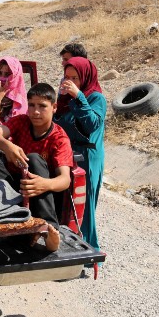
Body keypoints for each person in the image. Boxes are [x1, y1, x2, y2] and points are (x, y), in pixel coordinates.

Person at [0, 83, 74, 252]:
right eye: (31, 105)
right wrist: (7, 146)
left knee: (34, 159)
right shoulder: (21, 121)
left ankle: (49, 230)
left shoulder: (60, 139)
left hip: (39, 189)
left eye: (42, 106)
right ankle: (8, 215)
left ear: (54, 107)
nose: (35, 111)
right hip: (15, 186)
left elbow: (65, 179)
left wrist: (44, 184)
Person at [54, 56, 106, 252]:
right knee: (67, 206)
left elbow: (92, 124)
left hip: (88, 156)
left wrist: (79, 96)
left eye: (75, 78)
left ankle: (91, 251)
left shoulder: (96, 98)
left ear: (84, 77)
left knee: (84, 209)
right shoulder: (65, 99)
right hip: (69, 155)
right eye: (66, 77)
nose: (70, 82)